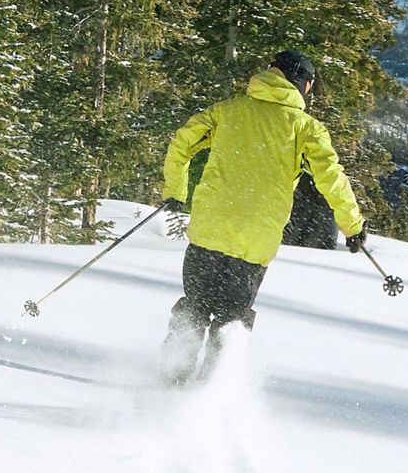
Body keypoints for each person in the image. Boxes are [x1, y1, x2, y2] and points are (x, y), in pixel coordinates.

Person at [155, 50, 368, 388]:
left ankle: (170, 377)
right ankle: (209, 392)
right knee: (232, 316)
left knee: (195, 305)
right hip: (253, 243)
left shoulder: (228, 111)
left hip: (208, 231)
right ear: (302, 83)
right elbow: (331, 178)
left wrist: (176, 191)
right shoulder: (304, 128)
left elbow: (182, 141)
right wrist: (352, 226)